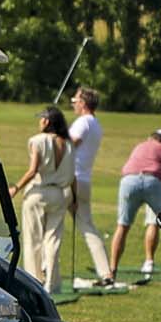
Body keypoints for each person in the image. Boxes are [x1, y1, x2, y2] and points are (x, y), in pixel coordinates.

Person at [11, 107, 76, 299]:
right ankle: (51, 283)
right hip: (59, 194)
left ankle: (33, 283)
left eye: (41, 119)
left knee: (33, 240)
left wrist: (16, 187)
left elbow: (33, 170)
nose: (39, 122)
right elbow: (74, 176)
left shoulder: (38, 141)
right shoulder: (69, 144)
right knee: (53, 240)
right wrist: (75, 198)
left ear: (47, 122)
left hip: (38, 193)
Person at [106, 128, 161, 290]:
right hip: (152, 181)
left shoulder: (140, 146)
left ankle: (112, 271)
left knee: (122, 226)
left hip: (128, 181)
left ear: (150, 139)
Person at [66, 87, 104, 275]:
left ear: (83, 103)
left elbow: (69, 146)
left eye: (75, 101)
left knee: (51, 225)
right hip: (84, 180)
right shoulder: (96, 124)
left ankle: (46, 270)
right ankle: (105, 271)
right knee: (87, 226)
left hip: (72, 179)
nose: (73, 104)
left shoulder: (83, 122)